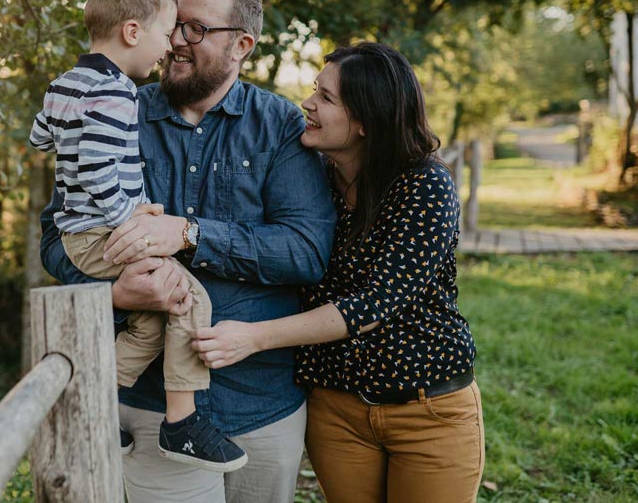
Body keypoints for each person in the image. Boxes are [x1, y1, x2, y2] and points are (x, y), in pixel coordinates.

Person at [40, 0, 336, 502]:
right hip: (150, 410)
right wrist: (114, 292)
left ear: (241, 45)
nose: (175, 40)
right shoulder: (115, 109)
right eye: (174, 24)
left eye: (195, 29)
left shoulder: (282, 126)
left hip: (261, 406)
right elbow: (56, 239)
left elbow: (307, 251)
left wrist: (191, 234)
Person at [193, 42, 485, 503]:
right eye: (314, 90)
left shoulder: (424, 185)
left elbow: (373, 303)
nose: (307, 103)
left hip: (427, 408)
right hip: (336, 409)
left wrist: (253, 336)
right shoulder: (312, 178)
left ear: (368, 120)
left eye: (327, 98)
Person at [29, 0, 246, 473]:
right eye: (164, 33)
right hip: (106, 230)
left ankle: (92, 397)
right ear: (131, 32)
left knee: (149, 323)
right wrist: (130, 218)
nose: (169, 47)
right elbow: (98, 168)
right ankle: (182, 422)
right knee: (190, 299)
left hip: (79, 228)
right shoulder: (117, 93)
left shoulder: (66, 83)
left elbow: (42, 137)